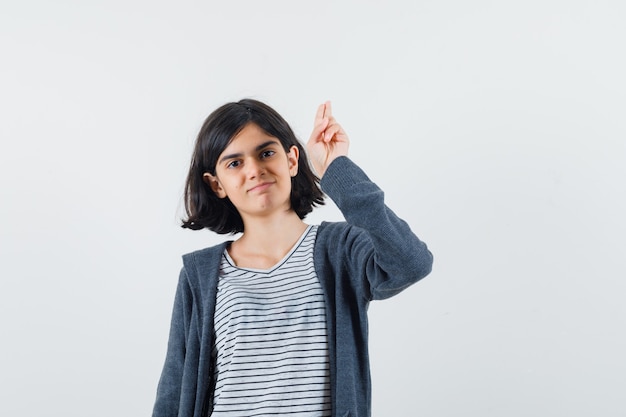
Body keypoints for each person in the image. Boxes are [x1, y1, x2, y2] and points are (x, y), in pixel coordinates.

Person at [152, 98, 433, 417]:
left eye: (266, 153)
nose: (255, 171)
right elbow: (174, 390)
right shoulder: (199, 274)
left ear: (292, 159)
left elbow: (411, 264)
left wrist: (335, 171)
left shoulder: (339, 250)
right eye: (234, 163)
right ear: (215, 184)